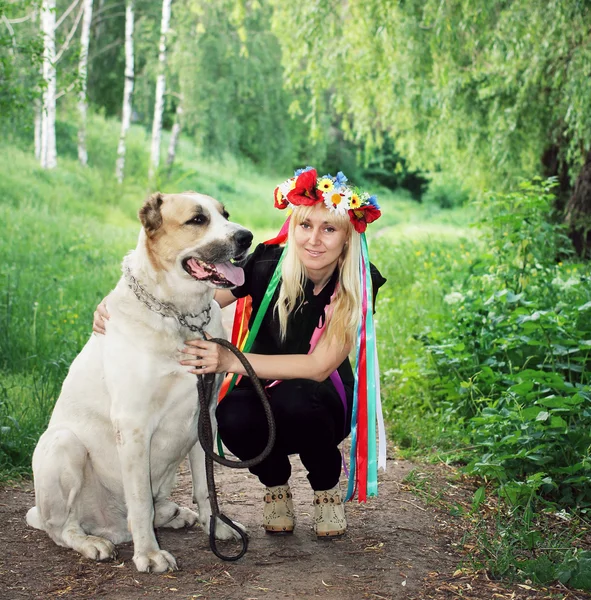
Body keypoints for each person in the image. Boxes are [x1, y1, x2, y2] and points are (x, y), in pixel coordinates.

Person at [94, 167, 386, 538]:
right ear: (292, 226)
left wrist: (231, 360)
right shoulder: (267, 262)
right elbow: (198, 299)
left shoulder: (357, 278)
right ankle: (275, 485)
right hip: (259, 384)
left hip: (322, 394)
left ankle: (326, 486)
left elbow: (319, 365)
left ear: (347, 237)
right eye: (305, 226)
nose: (314, 240)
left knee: (300, 404)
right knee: (231, 416)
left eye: (329, 229)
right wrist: (122, 300)